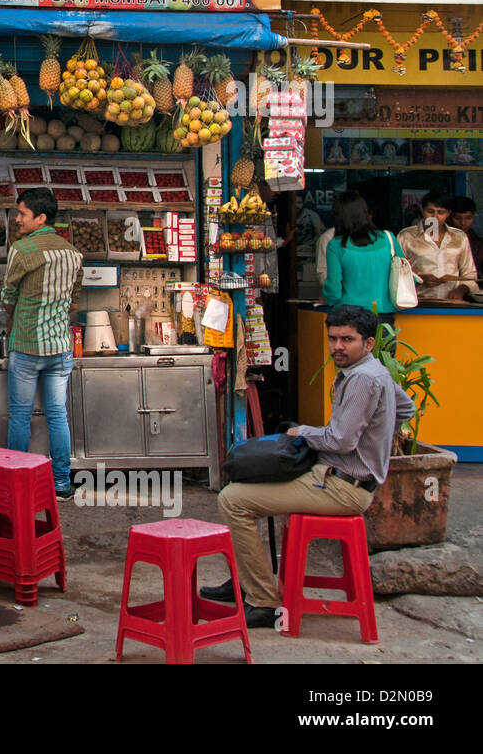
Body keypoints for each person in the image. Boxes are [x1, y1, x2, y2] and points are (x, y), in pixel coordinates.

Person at [203, 306, 414, 627]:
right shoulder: (376, 372)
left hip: (342, 487)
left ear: (368, 343)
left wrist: (302, 431)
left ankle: (262, 601)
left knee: (232, 500)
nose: (338, 347)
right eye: (333, 339)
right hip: (339, 477)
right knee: (252, 479)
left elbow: (341, 440)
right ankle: (247, 580)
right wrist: (377, 439)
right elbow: (405, 408)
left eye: (348, 340)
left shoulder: (361, 380)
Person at [0, 187, 83, 499]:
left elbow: (7, 297)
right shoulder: (73, 254)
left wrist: (14, 313)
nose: (17, 219)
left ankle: (16, 484)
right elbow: (74, 301)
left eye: (22, 214)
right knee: (57, 415)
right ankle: (61, 484)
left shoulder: (21, 251)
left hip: (26, 346)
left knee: (20, 416)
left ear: (41, 218)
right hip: (60, 347)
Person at [322, 191, 403, 324]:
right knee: (382, 345)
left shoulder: (336, 245)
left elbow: (333, 290)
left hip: (349, 317)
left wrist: (327, 298)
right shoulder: (388, 239)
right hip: (383, 317)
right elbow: (406, 275)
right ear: (365, 213)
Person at [396, 191, 478, 301]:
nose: (434, 217)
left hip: (452, 304)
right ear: (422, 210)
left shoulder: (459, 237)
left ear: (448, 213)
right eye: (430, 211)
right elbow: (396, 273)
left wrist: (461, 289)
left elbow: (470, 274)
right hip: (417, 303)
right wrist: (419, 279)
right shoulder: (406, 236)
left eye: (440, 212)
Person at [448, 196, 483, 277]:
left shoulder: (479, 244)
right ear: (449, 216)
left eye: (468, 218)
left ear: (474, 217)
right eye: (457, 218)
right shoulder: (440, 240)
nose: (463, 223)